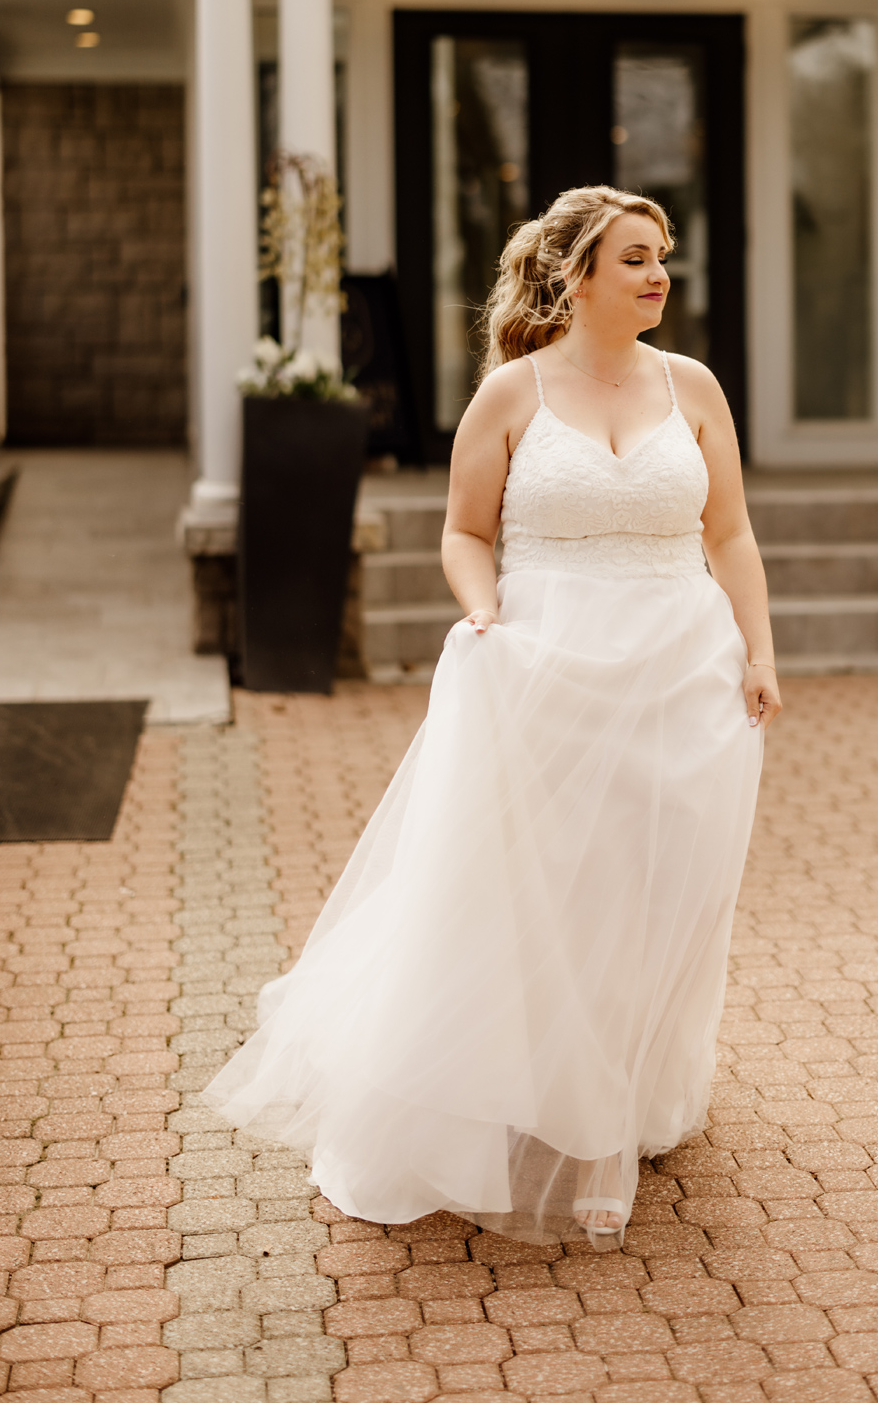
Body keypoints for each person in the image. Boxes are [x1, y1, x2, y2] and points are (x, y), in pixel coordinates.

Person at [203, 185, 781, 1247]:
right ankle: (546, 1108)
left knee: (655, 891)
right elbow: (465, 533)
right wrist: (483, 618)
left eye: (663, 258)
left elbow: (731, 533)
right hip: (542, 671)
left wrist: (759, 650)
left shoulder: (693, 386)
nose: (659, 276)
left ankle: (624, 1086)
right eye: (636, 259)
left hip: (680, 674)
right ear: (575, 276)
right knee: (550, 892)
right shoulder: (510, 396)